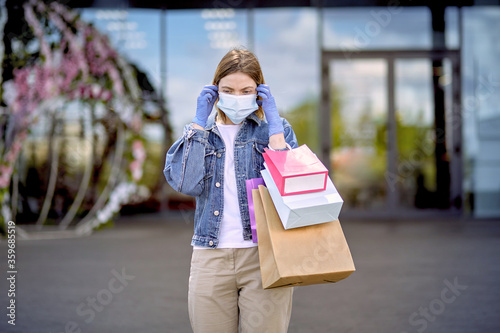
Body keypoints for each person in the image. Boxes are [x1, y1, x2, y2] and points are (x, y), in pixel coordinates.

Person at [164, 48, 298, 332]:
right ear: (215, 92)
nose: (237, 97)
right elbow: (186, 183)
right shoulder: (202, 134)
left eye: (246, 90)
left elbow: (291, 186)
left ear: (259, 92)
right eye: (228, 90)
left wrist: (275, 129)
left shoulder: (275, 130)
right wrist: (198, 125)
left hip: (265, 256)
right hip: (210, 257)